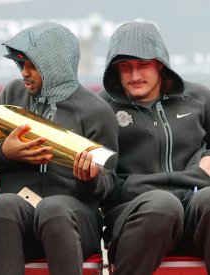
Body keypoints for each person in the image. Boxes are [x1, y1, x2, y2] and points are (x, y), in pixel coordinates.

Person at [0, 22, 119, 275]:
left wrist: (91, 180)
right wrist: (4, 153)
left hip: (73, 222)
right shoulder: (12, 95)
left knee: (53, 208)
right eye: (22, 65)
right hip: (18, 217)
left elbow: (110, 185)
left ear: (55, 65)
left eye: (33, 66)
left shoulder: (96, 111)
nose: (24, 73)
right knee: (3, 204)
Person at [99, 21, 210, 274]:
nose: (135, 76)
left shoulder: (199, 98)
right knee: (162, 204)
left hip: (195, 213)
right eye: (125, 67)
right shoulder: (100, 109)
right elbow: (103, 184)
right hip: (137, 216)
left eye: (143, 65)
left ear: (160, 63)